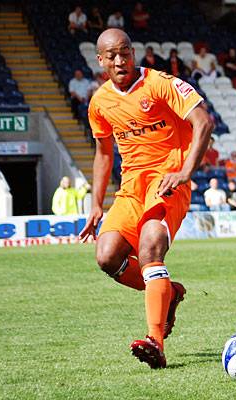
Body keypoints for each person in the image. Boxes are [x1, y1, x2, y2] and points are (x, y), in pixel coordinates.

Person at [79, 29, 214, 369]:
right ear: (100, 60)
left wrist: (185, 170)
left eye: (125, 52)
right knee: (107, 257)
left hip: (168, 179)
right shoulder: (100, 102)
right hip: (130, 189)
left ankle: (155, 340)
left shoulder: (160, 84)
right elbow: (104, 155)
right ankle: (169, 294)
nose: (119, 60)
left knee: (151, 246)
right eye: (111, 55)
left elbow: (203, 122)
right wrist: (96, 203)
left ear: (134, 53)